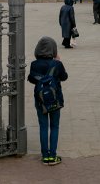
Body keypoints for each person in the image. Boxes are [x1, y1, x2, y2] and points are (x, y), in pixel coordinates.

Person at [27, 36, 68, 166]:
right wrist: (58, 62)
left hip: (40, 100)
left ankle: (45, 156)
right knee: (54, 126)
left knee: (43, 126)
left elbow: (32, 79)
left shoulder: (34, 64)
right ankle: (53, 156)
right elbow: (64, 77)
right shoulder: (57, 64)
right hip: (55, 99)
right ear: (54, 50)